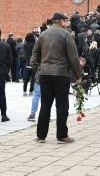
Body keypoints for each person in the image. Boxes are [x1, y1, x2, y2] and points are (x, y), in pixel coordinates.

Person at [31, 12, 82, 144]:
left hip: (45, 74)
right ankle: (62, 136)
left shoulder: (43, 34)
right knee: (62, 105)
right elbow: (73, 57)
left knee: (45, 105)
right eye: (65, 21)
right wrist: (78, 75)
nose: (66, 23)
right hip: (61, 74)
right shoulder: (66, 35)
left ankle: (41, 136)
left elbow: (35, 53)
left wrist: (38, 66)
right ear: (60, 21)